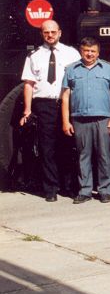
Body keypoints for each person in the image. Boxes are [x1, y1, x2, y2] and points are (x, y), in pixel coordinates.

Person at [20, 19, 80, 202]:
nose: (50, 35)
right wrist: (27, 110)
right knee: (47, 148)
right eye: (46, 32)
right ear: (41, 34)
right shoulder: (34, 56)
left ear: (60, 32)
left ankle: (68, 186)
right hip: (44, 105)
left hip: (66, 104)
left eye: (53, 32)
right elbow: (29, 85)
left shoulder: (72, 54)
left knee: (68, 146)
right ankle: (50, 189)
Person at [61, 37, 110, 204]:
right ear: (81, 51)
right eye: (86, 51)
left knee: (104, 156)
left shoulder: (108, 69)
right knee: (83, 156)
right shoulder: (71, 70)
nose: (90, 54)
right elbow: (65, 97)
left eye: (93, 51)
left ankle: (105, 190)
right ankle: (85, 191)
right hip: (80, 119)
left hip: (103, 119)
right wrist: (66, 121)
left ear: (98, 52)